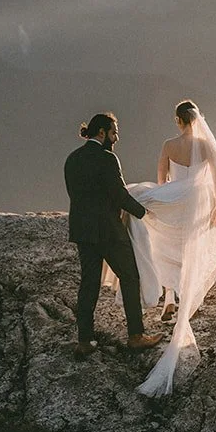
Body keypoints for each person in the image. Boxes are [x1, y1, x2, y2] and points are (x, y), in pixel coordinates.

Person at [124, 100, 216, 396]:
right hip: (198, 204)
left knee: (162, 244)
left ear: (178, 121)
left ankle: (168, 296)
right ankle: (178, 297)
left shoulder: (169, 144)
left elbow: (161, 179)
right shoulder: (206, 146)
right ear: (197, 119)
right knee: (189, 250)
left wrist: (166, 200)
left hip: (174, 200)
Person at [64, 112, 163, 358]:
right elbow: (119, 194)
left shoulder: (72, 159)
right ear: (102, 132)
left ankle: (85, 340)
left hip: (82, 230)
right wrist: (144, 212)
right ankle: (136, 336)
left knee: (89, 283)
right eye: (114, 132)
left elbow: (75, 195)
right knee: (129, 276)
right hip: (108, 230)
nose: (116, 138)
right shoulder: (108, 158)